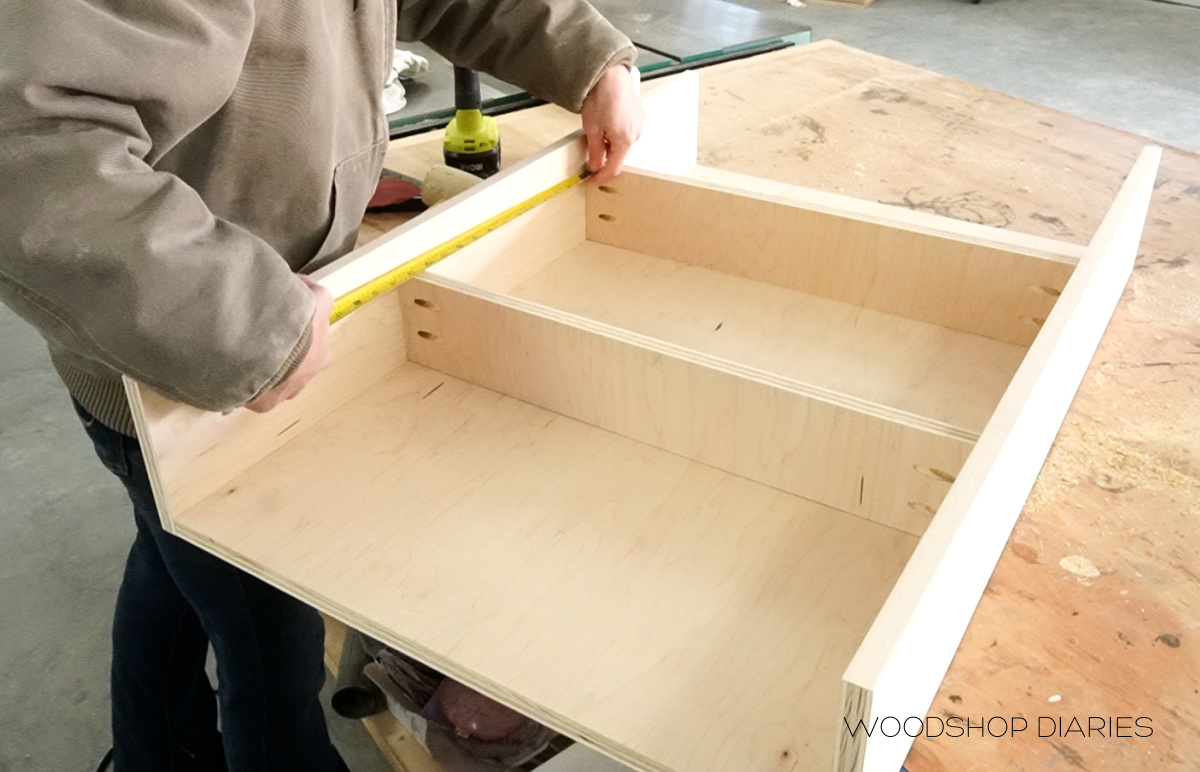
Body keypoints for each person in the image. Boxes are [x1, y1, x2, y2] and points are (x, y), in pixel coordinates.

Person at [0, 1, 644, 769]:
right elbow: (28, 146)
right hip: (182, 369)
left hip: (247, 341)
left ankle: (153, 756)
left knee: (172, 558)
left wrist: (589, 57)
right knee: (269, 646)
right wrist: (244, 323)